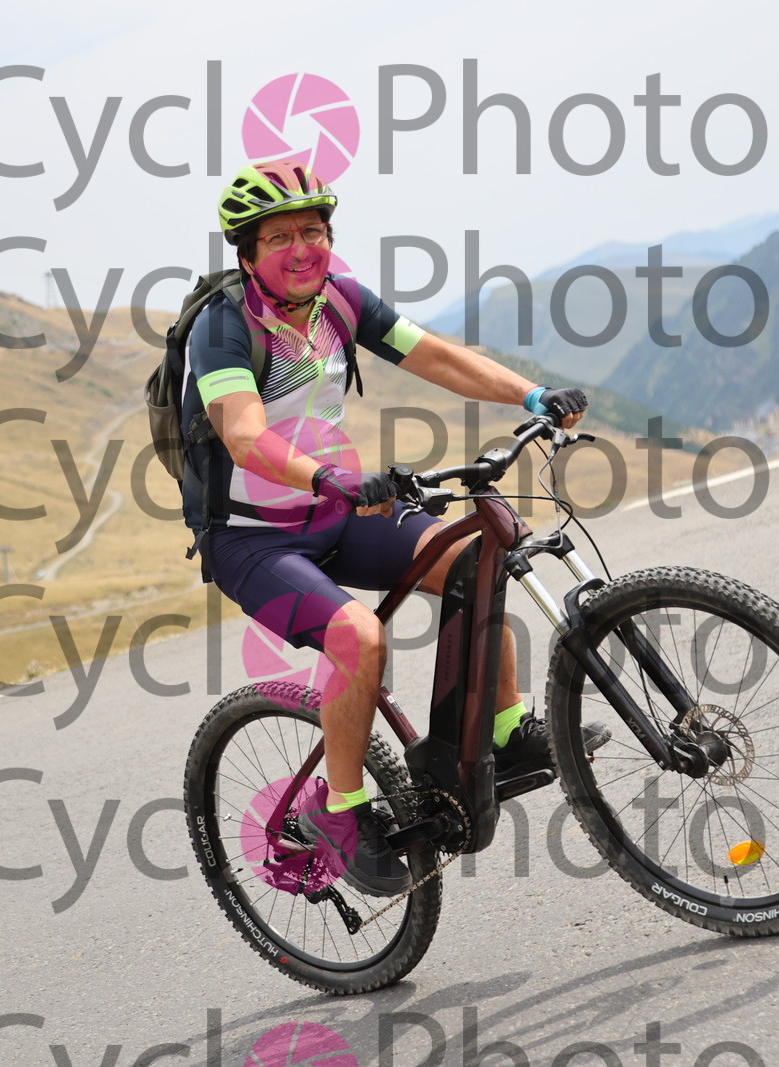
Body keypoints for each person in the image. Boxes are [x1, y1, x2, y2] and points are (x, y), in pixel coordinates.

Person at [178, 159, 605, 895]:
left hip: (335, 512)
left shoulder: (340, 302)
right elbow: (244, 436)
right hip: (251, 537)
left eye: (314, 231)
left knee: (477, 557)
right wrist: (329, 478)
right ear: (247, 255)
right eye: (280, 237)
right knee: (359, 639)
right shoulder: (223, 328)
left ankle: (503, 732)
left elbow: (434, 356)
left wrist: (530, 394)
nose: (302, 248)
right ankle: (338, 811)